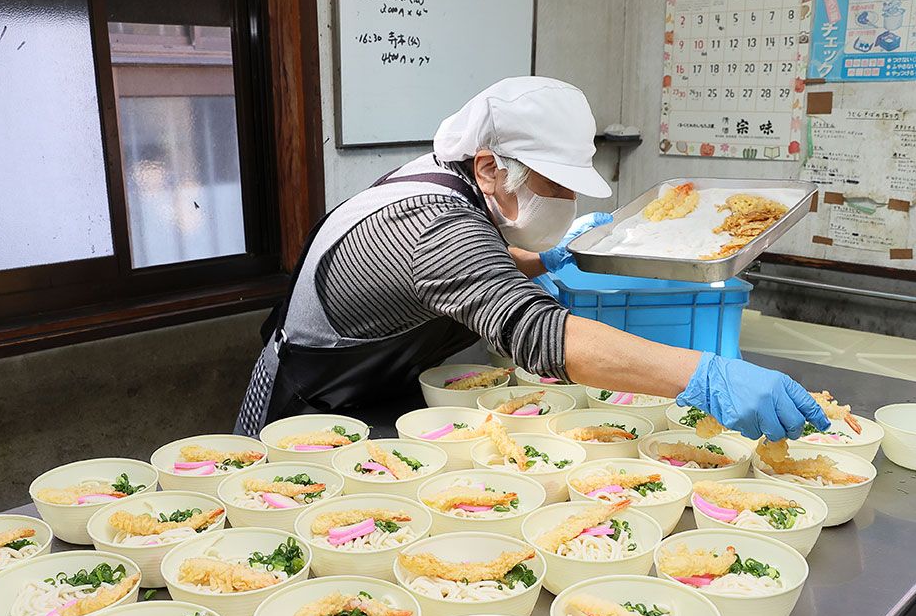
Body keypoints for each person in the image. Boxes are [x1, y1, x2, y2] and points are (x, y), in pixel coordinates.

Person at [236, 77, 827, 440]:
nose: (566, 203)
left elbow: (467, 277)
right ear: (491, 166)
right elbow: (535, 332)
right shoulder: (424, 222)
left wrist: (545, 262)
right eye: (557, 186)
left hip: (379, 397)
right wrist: (703, 375)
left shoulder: (459, 181)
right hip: (309, 407)